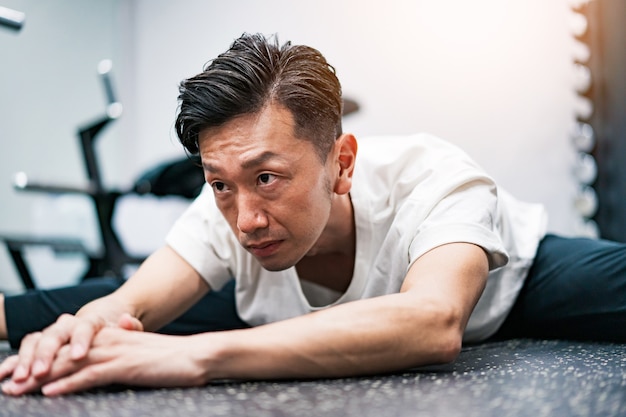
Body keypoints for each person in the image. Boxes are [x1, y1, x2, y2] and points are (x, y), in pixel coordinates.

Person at [1, 32, 625, 397]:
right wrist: (82, 329)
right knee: (108, 296)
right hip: (281, 296)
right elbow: (130, 303)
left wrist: (192, 357)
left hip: (513, 284)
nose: (244, 218)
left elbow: (432, 323)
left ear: (341, 164)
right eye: (221, 184)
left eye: (267, 179)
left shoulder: (434, 176)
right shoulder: (228, 209)